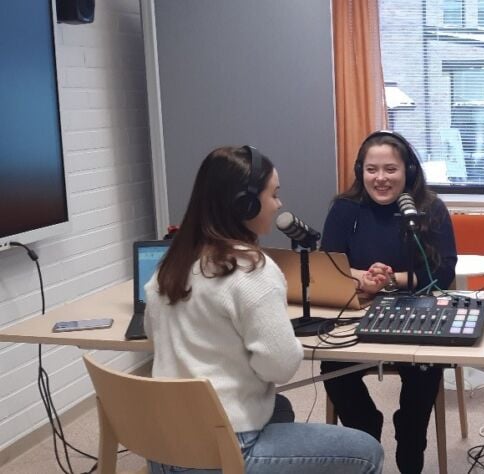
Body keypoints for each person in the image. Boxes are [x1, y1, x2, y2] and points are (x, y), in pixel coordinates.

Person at [144, 146, 383, 474]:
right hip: (225, 449)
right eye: (274, 194)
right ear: (246, 204)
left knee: (279, 408)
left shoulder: (170, 263)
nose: (279, 204)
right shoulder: (251, 269)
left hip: (164, 445)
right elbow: (280, 367)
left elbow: (152, 331)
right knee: (366, 452)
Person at [320, 131, 457, 473]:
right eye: (371, 169)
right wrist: (363, 277)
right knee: (332, 366)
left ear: (408, 171)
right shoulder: (345, 209)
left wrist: (391, 278)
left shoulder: (430, 209)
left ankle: (410, 445)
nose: (380, 178)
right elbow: (329, 265)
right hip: (357, 310)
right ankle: (366, 429)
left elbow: (443, 271)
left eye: (390, 169)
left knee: (424, 373)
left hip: (417, 313)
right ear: (360, 172)